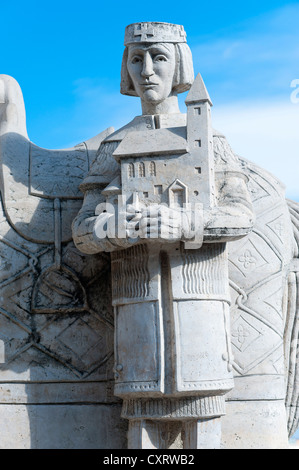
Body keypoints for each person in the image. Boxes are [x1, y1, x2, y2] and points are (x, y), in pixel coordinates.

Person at [71, 22, 265, 450]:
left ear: (179, 62)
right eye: (135, 59)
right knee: (141, 419)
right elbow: (84, 231)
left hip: (200, 308)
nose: (147, 70)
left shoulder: (210, 139)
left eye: (158, 56)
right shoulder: (115, 145)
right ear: (125, 67)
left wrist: (186, 225)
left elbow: (241, 214)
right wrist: (115, 228)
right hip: (135, 309)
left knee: (205, 410)